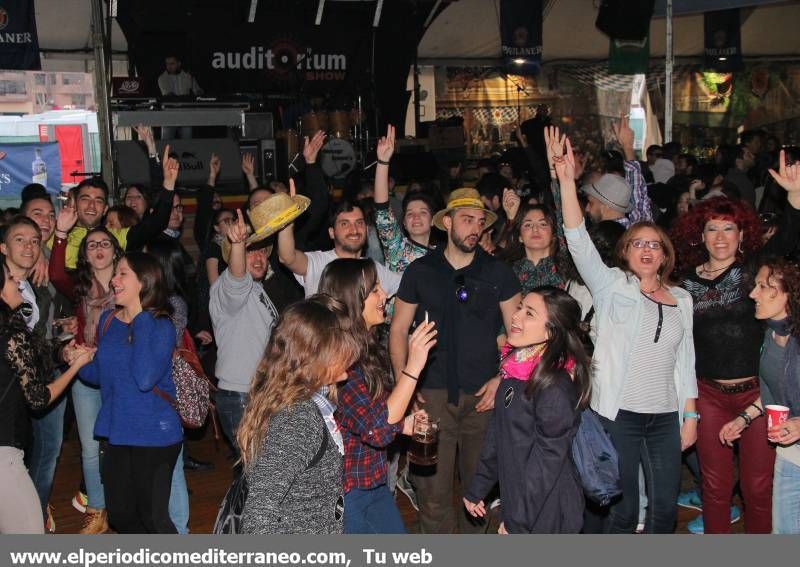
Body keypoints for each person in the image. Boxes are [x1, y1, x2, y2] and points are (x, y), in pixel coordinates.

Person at [555, 135, 698, 533]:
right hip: (620, 416)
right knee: (622, 511)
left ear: (665, 254)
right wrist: (568, 183)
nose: (647, 250)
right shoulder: (611, 285)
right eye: (638, 244)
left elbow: (685, 362)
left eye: (655, 244)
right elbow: (578, 240)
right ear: (625, 251)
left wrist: (691, 416)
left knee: (664, 511)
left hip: (666, 417)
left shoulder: (682, 299)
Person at [389, 188, 521, 533]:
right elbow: (398, 330)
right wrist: (405, 383)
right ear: (446, 222)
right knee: (431, 492)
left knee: (479, 491)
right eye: (466, 220)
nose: (475, 228)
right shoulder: (419, 271)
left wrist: (502, 378)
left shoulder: (499, 273)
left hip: (484, 397)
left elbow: (520, 333)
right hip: (430, 396)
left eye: (480, 221)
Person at [318, 258, 436, 533]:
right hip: (346, 492)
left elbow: (371, 416)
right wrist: (414, 366)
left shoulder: (367, 347)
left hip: (373, 481)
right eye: (375, 290)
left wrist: (403, 424)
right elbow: (377, 430)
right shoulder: (339, 358)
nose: (384, 295)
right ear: (351, 298)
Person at [464, 287, 592, 533]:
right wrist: (478, 487)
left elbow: (547, 464)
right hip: (520, 496)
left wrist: (517, 520)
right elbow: (497, 434)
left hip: (548, 507)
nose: (515, 316)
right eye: (520, 307)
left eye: (529, 313)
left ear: (550, 331)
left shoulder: (554, 385)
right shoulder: (515, 371)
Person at [76, 252, 182, 533]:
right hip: (118, 431)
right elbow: (101, 374)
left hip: (155, 434)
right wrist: (76, 361)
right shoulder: (108, 320)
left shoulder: (160, 324)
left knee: (154, 519)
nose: (113, 280)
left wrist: (140, 316)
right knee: (120, 515)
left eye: (122, 273)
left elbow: (144, 377)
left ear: (144, 282)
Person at [237, 295, 361, 534]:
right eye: (338, 354)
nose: (348, 366)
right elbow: (258, 519)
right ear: (312, 358)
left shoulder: (306, 404)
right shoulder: (297, 419)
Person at [0, 255, 95, 534]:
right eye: (8, 279)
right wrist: (75, 366)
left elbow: (30, 357)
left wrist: (62, 352)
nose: (17, 281)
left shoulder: (10, 333)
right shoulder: (10, 336)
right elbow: (39, 398)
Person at [49, 217, 123, 534]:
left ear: (116, 251)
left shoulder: (129, 285)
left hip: (120, 375)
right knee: (90, 446)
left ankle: (122, 503)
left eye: (105, 242)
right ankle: (96, 509)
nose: (98, 248)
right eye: (92, 245)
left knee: (121, 443)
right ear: (86, 256)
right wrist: (61, 234)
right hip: (84, 373)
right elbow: (54, 274)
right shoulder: (79, 289)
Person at [736, 259, 800, 534]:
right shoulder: (771, 336)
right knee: (784, 532)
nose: (753, 294)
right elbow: (774, 389)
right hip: (791, 450)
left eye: (763, 286)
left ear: (789, 293)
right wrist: (744, 417)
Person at [278, 181, 401, 298]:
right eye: (344, 224)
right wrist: (287, 223)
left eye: (359, 223)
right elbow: (287, 257)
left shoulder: (374, 269)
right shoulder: (318, 262)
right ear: (332, 233)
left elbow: (409, 285)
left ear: (367, 230)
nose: (354, 230)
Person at [57, 151, 177, 269]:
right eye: (85, 199)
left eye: (98, 200)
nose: (91, 206)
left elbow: (157, 223)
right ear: (75, 204)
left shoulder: (116, 237)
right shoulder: (57, 235)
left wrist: (168, 185)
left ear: (105, 209)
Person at [158, 54, 203, 139]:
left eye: (172, 63)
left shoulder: (188, 76)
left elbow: (198, 91)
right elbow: (169, 96)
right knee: (166, 145)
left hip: (185, 116)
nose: (169, 66)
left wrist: (199, 92)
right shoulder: (162, 78)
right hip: (168, 116)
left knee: (186, 144)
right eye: (167, 64)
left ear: (179, 64)